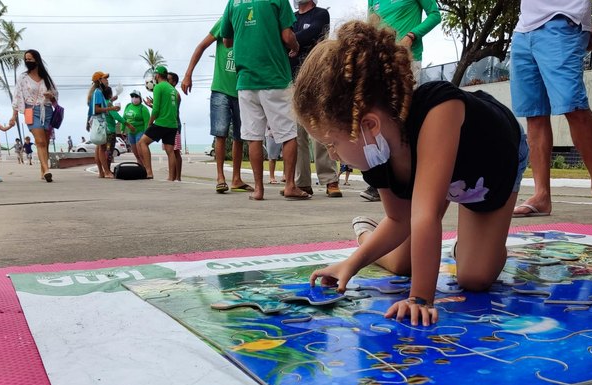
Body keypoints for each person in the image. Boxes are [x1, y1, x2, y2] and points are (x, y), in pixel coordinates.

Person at [297, 20, 528, 326]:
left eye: (331, 143)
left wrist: (420, 298)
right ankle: (366, 232)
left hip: (492, 165)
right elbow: (399, 219)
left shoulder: (439, 110)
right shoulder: (374, 151)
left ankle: (475, 244)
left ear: (368, 126)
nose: (333, 154)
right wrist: (350, 265)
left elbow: (424, 217)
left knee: (475, 276)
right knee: (404, 262)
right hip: (444, 182)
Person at [510, 0, 592, 222]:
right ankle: (541, 196)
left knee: (574, 106)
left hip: (563, 22)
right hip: (523, 30)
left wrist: (581, 19)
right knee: (534, 115)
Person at [221, 0, 306, 201]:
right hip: (274, 76)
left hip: (246, 80)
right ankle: (290, 185)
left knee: (254, 136)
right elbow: (287, 35)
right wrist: (295, 45)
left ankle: (258, 190)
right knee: (288, 133)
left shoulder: (233, 2)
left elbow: (226, 40)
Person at [361, 0, 442, 203]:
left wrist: (411, 35)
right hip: (379, 60)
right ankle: (381, 180)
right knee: (380, 116)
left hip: (407, 58)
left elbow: (435, 15)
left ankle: (413, 177)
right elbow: (371, 23)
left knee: (404, 117)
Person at [182, 16, 251, 194]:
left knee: (240, 136)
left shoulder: (251, 23)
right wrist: (188, 74)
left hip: (242, 89)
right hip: (221, 89)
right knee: (220, 133)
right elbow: (201, 46)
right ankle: (220, 177)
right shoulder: (226, 21)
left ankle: (236, 178)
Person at [290, 0, 342, 198]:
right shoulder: (291, 18)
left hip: (316, 78)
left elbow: (312, 34)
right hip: (292, 80)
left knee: (320, 130)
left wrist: (292, 41)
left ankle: (330, 180)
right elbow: (283, 37)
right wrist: (291, 40)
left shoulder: (321, 14)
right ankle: (302, 182)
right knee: (298, 135)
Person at [9, 49, 58, 182]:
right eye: (26, 59)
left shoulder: (47, 78)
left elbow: (55, 97)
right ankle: (47, 170)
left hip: (47, 110)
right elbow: (18, 97)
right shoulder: (23, 78)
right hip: (31, 110)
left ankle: (43, 170)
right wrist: (14, 116)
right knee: (40, 141)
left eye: (30, 58)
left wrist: (50, 95)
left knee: (46, 142)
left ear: (37, 60)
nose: (27, 61)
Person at [137, 65, 178, 180]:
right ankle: (171, 178)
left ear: (158, 75)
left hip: (161, 122)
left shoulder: (158, 87)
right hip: (172, 124)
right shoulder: (172, 89)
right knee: (170, 151)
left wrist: (150, 123)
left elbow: (156, 110)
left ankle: (149, 172)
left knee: (142, 143)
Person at [87, 71, 121, 178]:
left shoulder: (97, 92)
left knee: (99, 148)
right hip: (100, 122)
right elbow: (97, 109)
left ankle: (102, 172)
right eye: (105, 78)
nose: (107, 80)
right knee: (102, 148)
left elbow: (98, 106)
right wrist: (111, 108)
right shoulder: (98, 92)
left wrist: (111, 100)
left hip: (98, 122)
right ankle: (106, 172)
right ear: (99, 81)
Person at [102, 86, 133, 172]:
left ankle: (104, 170)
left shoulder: (102, 103)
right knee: (109, 151)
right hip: (110, 132)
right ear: (110, 94)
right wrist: (128, 124)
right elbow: (117, 117)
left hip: (103, 131)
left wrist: (111, 100)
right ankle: (107, 170)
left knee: (104, 150)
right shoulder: (109, 104)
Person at [122, 90, 149, 162]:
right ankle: (140, 169)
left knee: (141, 154)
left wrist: (146, 133)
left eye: (136, 96)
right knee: (136, 154)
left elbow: (147, 122)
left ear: (140, 98)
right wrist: (122, 129)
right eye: (132, 96)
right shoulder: (128, 106)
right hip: (130, 133)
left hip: (140, 132)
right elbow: (124, 118)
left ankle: (146, 170)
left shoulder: (143, 108)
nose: (134, 98)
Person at [166, 72, 183, 182]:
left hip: (174, 125)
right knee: (170, 151)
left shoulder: (175, 94)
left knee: (175, 151)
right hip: (168, 124)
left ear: (174, 82)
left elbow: (172, 110)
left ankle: (177, 177)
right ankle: (173, 176)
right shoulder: (170, 93)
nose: (166, 82)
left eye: (168, 80)